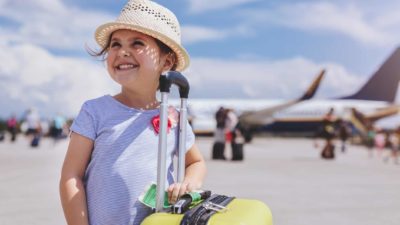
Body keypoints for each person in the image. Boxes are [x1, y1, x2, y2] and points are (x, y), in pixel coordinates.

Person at [59, 1, 206, 225]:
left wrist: (188, 184)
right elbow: (72, 176)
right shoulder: (95, 111)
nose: (122, 51)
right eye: (115, 44)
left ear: (166, 62)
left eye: (137, 43)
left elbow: (196, 162)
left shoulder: (174, 117)